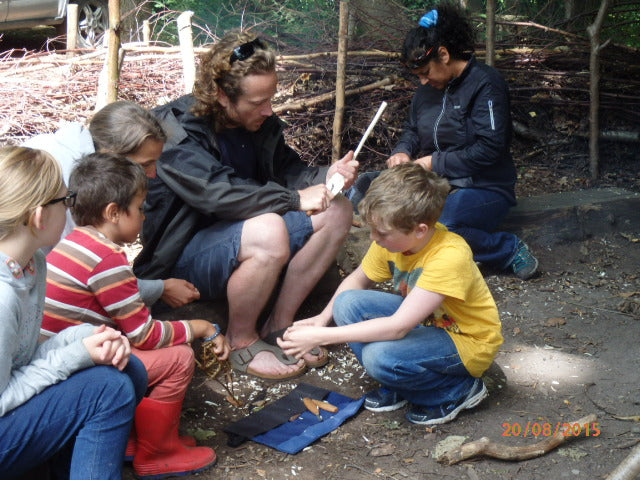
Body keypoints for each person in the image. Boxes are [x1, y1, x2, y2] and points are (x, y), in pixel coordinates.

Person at [133, 30, 359, 381]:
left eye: (271, 98)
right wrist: (295, 199)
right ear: (222, 96)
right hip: (184, 257)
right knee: (267, 228)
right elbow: (217, 193)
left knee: (338, 209)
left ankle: (280, 325)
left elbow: (289, 172)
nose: (269, 110)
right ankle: (241, 340)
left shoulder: (260, 123)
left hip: (246, 238)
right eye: (258, 102)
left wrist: (328, 176)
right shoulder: (174, 132)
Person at [42, 153, 230, 479]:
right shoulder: (106, 260)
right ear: (114, 212)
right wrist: (201, 327)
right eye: (140, 208)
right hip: (71, 371)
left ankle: (132, 439)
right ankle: (157, 452)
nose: (144, 216)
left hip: (60, 356)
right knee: (179, 358)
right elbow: (145, 335)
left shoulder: (75, 242)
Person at [279, 163, 503, 426]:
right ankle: (403, 382)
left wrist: (321, 335)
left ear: (420, 229)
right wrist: (321, 319)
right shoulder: (395, 239)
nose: (373, 238)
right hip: (430, 324)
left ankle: (455, 391)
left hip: (467, 342)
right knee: (346, 303)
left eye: (381, 233)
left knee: (380, 358)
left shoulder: (449, 256)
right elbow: (357, 279)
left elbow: (397, 328)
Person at [353, 4, 538, 280]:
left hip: (484, 185)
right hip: (437, 182)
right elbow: (412, 131)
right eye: (419, 76)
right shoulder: (426, 91)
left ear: (444, 54)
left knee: (442, 225)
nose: (424, 81)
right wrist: (403, 152)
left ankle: (507, 249)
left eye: (426, 72)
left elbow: (490, 148)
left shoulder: (485, 84)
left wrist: (432, 162)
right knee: (364, 185)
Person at [0, 146, 147, 479]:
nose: (71, 211)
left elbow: (22, 358)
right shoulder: (3, 296)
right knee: (108, 388)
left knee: (130, 370)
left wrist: (86, 337)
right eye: (65, 202)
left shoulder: (32, 262)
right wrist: (76, 356)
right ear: (38, 216)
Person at [22, 100, 200, 309]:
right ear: (111, 153)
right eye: (144, 165)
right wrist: (159, 289)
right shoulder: (68, 181)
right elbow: (81, 274)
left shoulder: (73, 155)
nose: (153, 175)